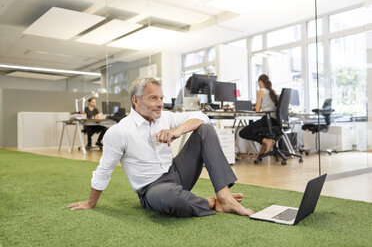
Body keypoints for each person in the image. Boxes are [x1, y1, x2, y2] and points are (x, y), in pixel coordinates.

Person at [68, 77, 254, 217]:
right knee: (168, 198)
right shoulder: (119, 132)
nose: (159, 104)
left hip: (177, 172)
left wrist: (178, 131)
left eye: (161, 98)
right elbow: (104, 169)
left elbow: (202, 116)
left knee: (205, 129)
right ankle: (213, 202)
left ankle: (224, 195)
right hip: (152, 188)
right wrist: (91, 203)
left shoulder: (165, 116)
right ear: (136, 100)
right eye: (153, 98)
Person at [239, 74, 278, 156]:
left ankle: (267, 141)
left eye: (258, 82)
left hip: (268, 120)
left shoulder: (260, 91)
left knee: (243, 132)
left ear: (260, 82)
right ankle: (262, 149)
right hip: (275, 121)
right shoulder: (272, 92)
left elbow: (257, 110)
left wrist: (255, 106)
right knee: (253, 129)